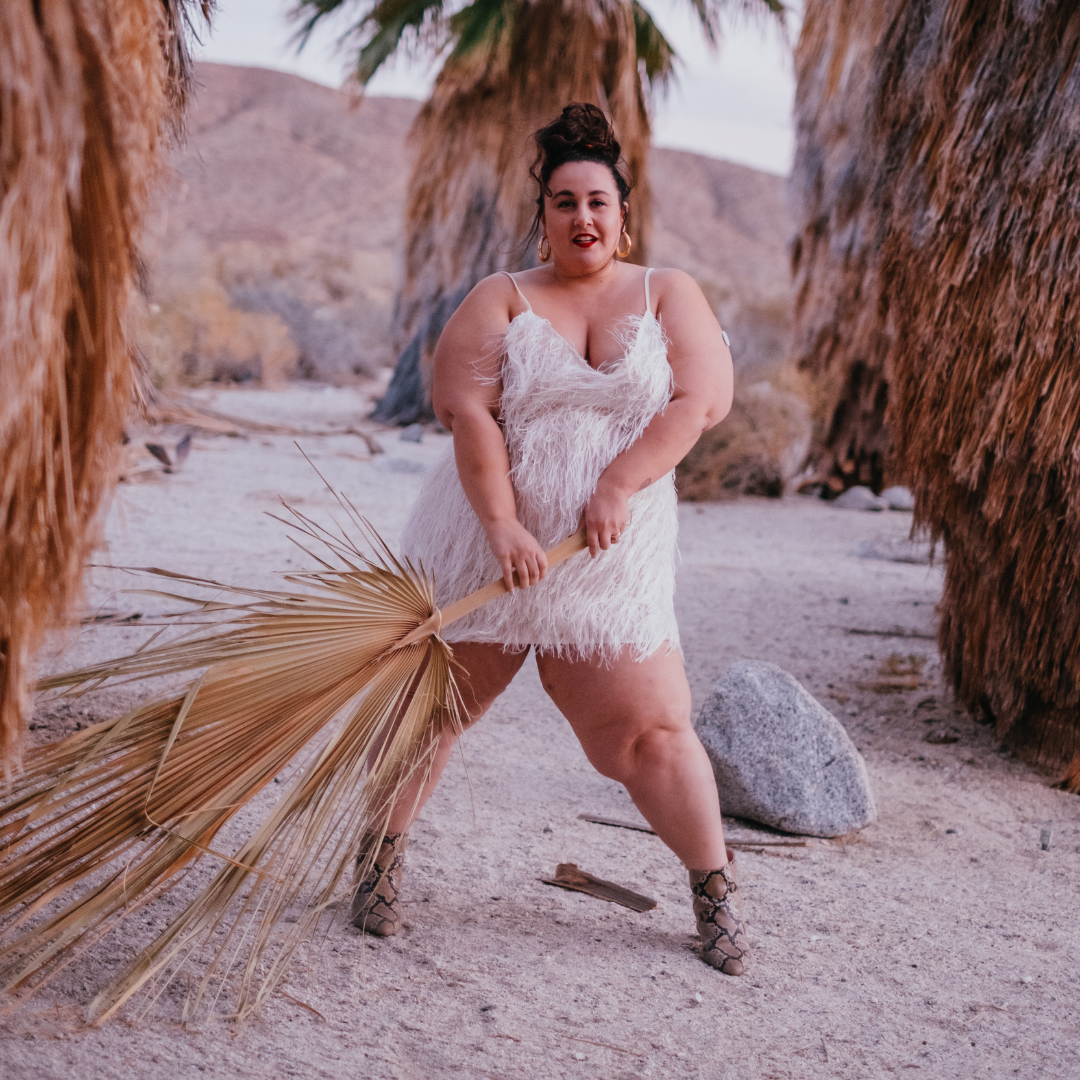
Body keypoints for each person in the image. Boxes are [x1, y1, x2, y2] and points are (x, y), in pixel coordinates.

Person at [351, 102, 746, 974]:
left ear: (623, 216)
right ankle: (375, 867)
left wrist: (617, 483)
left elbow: (700, 402)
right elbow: (466, 411)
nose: (582, 217)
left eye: (598, 202)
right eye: (564, 202)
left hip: (608, 555)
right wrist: (500, 523)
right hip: (483, 542)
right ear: (544, 217)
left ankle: (715, 896)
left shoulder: (667, 292)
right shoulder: (502, 297)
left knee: (646, 735)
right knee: (429, 712)